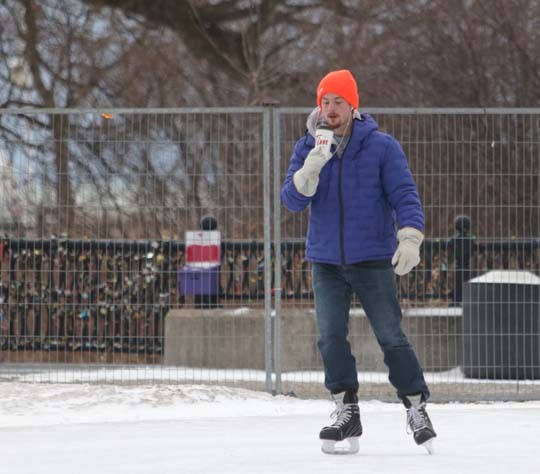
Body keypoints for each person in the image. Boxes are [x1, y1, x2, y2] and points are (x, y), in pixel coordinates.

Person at [280, 69, 436, 455]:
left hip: (372, 258)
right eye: (325, 102)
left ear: (353, 105)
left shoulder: (381, 146)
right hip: (326, 261)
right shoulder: (308, 147)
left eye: (338, 102)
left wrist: (411, 237)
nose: (331, 109)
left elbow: (405, 195)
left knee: (390, 335)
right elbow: (291, 200)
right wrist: (310, 168)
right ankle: (345, 409)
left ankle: (416, 406)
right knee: (330, 337)